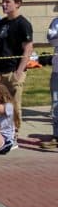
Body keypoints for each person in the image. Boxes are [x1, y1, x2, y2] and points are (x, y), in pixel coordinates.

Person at [0, 0, 33, 136]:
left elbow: (28, 49)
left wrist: (19, 72)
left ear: (18, 4)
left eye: (8, 2)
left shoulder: (23, 24)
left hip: (13, 70)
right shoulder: (2, 23)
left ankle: (14, 134)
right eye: (3, 1)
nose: (4, 4)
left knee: (13, 105)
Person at [41, 17, 58, 149]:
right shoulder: (56, 21)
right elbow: (51, 40)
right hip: (57, 71)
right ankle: (56, 136)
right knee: (56, 104)